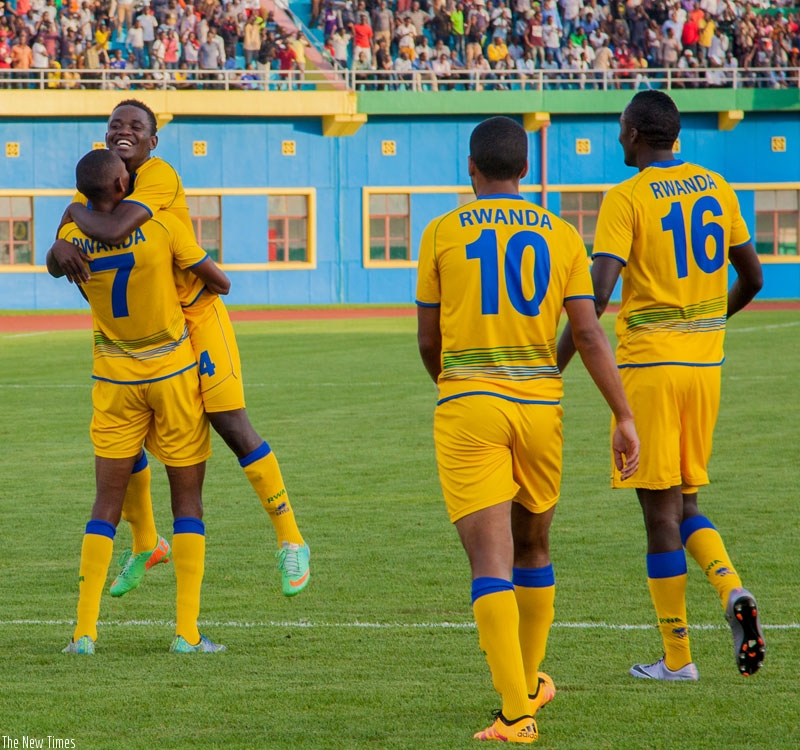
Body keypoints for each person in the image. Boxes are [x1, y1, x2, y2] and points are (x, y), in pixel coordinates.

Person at [416, 116, 639, 743]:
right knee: (534, 547)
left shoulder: (440, 233)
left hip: (470, 403)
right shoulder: (562, 233)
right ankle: (532, 678)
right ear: (526, 171)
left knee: (490, 559)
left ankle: (517, 714)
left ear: (471, 168)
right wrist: (623, 416)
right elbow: (589, 331)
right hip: (541, 405)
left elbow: (428, 339)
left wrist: (451, 384)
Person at [47, 100, 311, 601]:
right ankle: (146, 541)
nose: (124, 130)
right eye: (115, 125)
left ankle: (290, 537)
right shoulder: (97, 192)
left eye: (136, 126)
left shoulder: (156, 176)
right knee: (125, 443)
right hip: (140, 333)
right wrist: (55, 247)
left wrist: (70, 218)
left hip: (196, 316)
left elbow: (108, 230)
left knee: (230, 422)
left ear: (152, 140)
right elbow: (61, 255)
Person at [556, 90, 765, 681]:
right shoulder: (716, 186)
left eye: (622, 129)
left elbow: (594, 298)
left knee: (658, 513)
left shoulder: (626, 198)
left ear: (640, 134)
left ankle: (677, 659)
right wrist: (708, 324)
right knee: (687, 501)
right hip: (705, 368)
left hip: (650, 368)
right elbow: (753, 275)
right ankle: (730, 589)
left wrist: (553, 366)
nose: (619, 138)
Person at [49, 149, 230, 654]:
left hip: (113, 378)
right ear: (123, 186)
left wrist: (60, 238)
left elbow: (54, 260)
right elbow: (220, 283)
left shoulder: (71, 238)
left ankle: (83, 635)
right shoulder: (163, 228)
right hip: (171, 373)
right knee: (187, 503)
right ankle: (186, 634)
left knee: (105, 504)